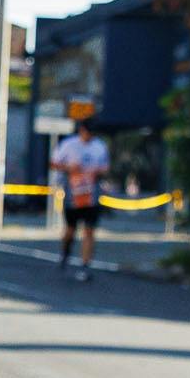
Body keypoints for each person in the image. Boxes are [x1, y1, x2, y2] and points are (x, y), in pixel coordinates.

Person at [49, 116, 109, 282]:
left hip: (91, 194)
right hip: (73, 193)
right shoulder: (69, 145)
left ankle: (85, 264)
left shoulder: (99, 146)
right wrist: (70, 168)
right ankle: (65, 251)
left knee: (89, 229)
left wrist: (97, 171)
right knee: (70, 229)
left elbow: (105, 168)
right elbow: (54, 163)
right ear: (81, 130)